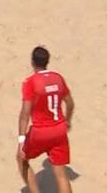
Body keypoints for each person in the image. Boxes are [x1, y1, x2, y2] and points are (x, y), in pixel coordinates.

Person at [17, 45, 75, 193]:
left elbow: (25, 113)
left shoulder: (30, 82)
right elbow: (70, 103)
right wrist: (67, 121)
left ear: (32, 62)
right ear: (47, 61)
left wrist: (21, 140)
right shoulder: (58, 78)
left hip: (41, 131)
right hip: (59, 129)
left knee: (21, 159)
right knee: (61, 174)